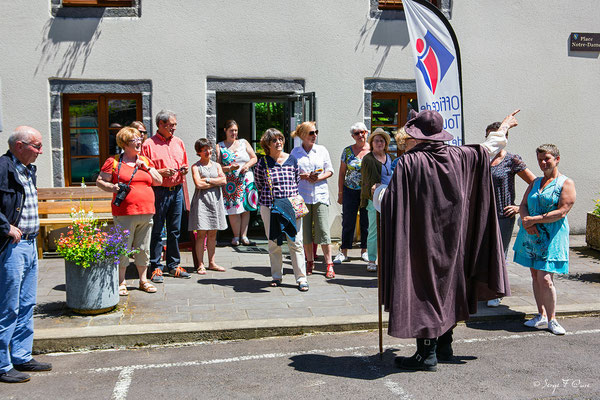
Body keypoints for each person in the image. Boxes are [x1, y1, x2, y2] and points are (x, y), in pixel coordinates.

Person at [377, 109, 520, 372]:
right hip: (455, 242)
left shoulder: (410, 163)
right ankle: (444, 347)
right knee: (449, 287)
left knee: (423, 290)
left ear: (417, 136)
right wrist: (504, 127)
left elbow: (390, 203)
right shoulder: (460, 155)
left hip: (421, 241)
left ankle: (426, 355)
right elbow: (489, 146)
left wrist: (378, 193)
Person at [0, 126, 52, 384]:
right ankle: (2, 363)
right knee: (8, 306)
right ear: (19, 146)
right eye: (37, 146)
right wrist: (4, 226)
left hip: (30, 245)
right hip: (12, 247)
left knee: (27, 304)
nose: (41, 151)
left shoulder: (27, 169)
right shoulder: (3, 168)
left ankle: (21, 355)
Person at [513, 144, 575, 335]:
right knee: (534, 275)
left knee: (545, 278)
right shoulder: (535, 182)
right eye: (540, 159)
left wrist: (535, 220)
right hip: (531, 235)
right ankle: (540, 315)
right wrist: (526, 221)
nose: (543, 162)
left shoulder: (566, 183)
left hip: (552, 237)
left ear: (557, 159)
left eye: (546, 158)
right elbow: (523, 204)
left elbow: (562, 211)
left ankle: (552, 318)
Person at [97, 127, 163, 296]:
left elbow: (159, 181)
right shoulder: (113, 161)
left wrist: (146, 168)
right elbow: (100, 181)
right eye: (135, 140)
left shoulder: (145, 161)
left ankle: (143, 280)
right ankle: (121, 281)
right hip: (124, 212)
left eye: (140, 138)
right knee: (123, 247)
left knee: (143, 247)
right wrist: (112, 187)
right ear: (125, 143)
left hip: (147, 211)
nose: (139, 142)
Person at [485, 122, 535, 307]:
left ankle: (496, 292)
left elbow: (534, 182)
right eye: (491, 137)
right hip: (483, 214)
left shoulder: (512, 160)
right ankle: (484, 289)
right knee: (483, 252)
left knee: (499, 253)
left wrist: (519, 207)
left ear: (505, 140)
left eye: (498, 137)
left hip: (502, 214)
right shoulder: (482, 159)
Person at [254, 128, 309, 291]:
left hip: (291, 206)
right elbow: (259, 183)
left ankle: (301, 278)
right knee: (273, 243)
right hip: (270, 207)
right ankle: (277, 276)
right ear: (267, 144)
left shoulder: (292, 160)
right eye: (274, 140)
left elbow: (296, 180)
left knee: (296, 242)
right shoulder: (262, 162)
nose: (278, 142)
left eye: (280, 139)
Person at [141, 110, 191, 283]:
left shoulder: (179, 142)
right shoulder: (148, 144)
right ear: (161, 125)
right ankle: (155, 268)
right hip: (159, 191)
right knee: (156, 230)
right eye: (172, 125)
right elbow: (144, 170)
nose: (174, 128)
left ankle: (173, 265)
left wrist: (184, 169)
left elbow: (184, 163)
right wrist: (160, 172)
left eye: (175, 124)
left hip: (176, 190)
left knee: (175, 231)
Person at [290, 121, 335, 278]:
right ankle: (309, 261)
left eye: (316, 132)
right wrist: (303, 176)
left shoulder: (321, 150)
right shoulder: (295, 153)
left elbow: (330, 170)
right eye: (311, 133)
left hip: (320, 194)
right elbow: (291, 173)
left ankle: (329, 264)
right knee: (306, 233)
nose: (314, 135)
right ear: (302, 135)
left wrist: (318, 177)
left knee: (323, 230)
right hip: (302, 195)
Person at [216, 120, 258, 246]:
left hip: (246, 178)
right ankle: (235, 237)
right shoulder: (220, 146)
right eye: (231, 131)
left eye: (235, 130)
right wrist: (229, 168)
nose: (234, 133)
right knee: (233, 208)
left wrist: (246, 166)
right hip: (231, 181)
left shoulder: (243, 142)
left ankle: (244, 236)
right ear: (225, 131)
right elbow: (218, 166)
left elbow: (254, 157)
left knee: (246, 207)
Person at [189, 138, 228, 274]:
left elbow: (224, 180)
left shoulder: (217, 165)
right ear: (199, 152)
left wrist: (208, 180)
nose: (208, 151)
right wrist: (215, 182)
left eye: (209, 148)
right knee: (201, 234)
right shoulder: (196, 166)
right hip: (202, 202)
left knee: (213, 233)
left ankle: (212, 262)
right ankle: (200, 264)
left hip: (215, 201)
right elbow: (198, 184)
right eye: (205, 149)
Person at [335, 122, 370, 264]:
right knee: (348, 221)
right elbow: (342, 173)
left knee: (366, 221)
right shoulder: (347, 151)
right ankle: (344, 251)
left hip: (367, 191)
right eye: (357, 133)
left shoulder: (372, 150)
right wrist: (340, 192)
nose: (360, 135)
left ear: (367, 132)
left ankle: (365, 250)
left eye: (362, 132)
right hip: (350, 189)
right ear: (352, 136)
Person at [360, 128, 392, 273]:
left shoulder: (390, 157)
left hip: (389, 197)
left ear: (385, 143)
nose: (379, 143)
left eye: (382, 140)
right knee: (373, 230)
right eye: (376, 140)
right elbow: (366, 181)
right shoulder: (368, 158)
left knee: (388, 230)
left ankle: (386, 259)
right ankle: (372, 260)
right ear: (371, 143)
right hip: (373, 199)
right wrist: (374, 187)